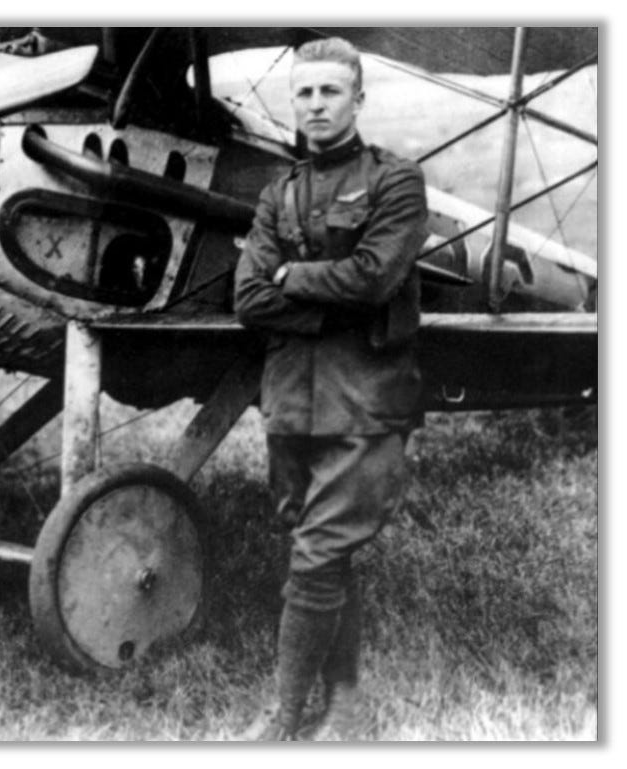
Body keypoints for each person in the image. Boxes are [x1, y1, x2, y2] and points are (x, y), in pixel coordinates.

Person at [233, 37, 428, 741]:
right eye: (305, 93)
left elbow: (377, 276)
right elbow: (248, 297)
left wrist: (293, 278)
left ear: (358, 100)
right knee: (318, 545)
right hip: (291, 399)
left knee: (317, 552)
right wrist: (317, 292)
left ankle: (282, 718)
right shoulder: (276, 193)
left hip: (366, 396)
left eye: (330, 92)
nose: (316, 104)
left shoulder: (396, 182)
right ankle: (345, 700)